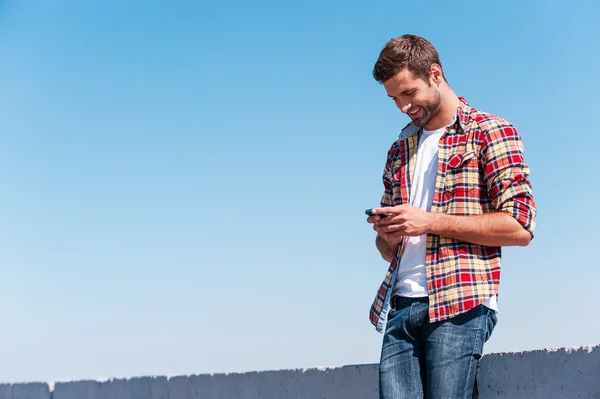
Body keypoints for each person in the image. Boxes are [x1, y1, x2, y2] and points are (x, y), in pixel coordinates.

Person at [366, 34, 537, 399]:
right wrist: (389, 234)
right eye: (394, 98)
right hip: (400, 306)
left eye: (408, 93)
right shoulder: (399, 148)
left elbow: (520, 226)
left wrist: (428, 221)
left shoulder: (490, 132)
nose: (402, 106)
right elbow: (385, 249)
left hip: (459, 305)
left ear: (435, 74)